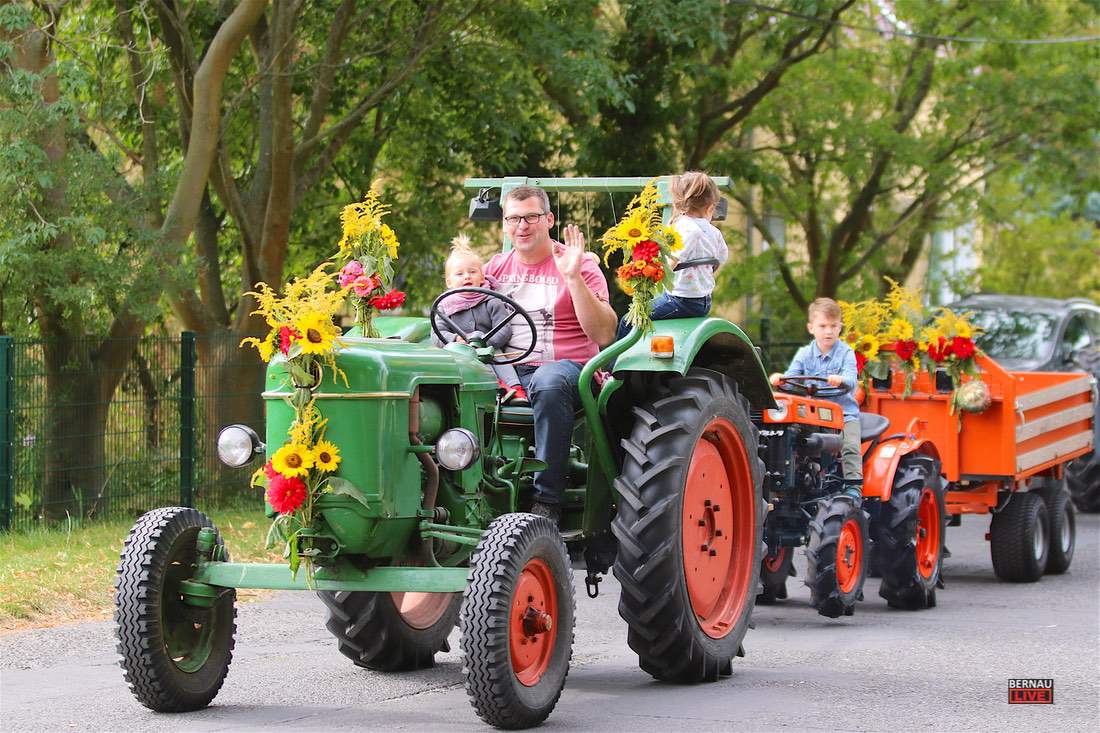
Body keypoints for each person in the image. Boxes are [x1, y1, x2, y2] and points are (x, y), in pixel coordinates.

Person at [483, 185, 617, 525]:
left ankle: (547, 502)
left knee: (549, 380)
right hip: (508, 373)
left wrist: (572, 278)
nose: (522, 226)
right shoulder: (494, 268)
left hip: (568, 372)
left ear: (549, 219)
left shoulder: (579, 265)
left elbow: (604, 334)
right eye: (513, 218)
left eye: (531, 217)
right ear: (504, 224)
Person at [615, 171, 729, 339]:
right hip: (703, 301)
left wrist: (650, 276)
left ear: (678, 202)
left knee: (629, 321)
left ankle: (613, 364)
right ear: (711, 207)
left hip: (681, 301)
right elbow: (722, 258)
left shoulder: (686, 228)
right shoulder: (714, 232)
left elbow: (672, 261)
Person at [770, 297, 863, 500]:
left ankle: (854, 486)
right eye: (822, 326)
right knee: (790, 436)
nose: (828, 331)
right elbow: (790, 377)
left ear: (840, 327)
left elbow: (851, 381)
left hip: (843, 415)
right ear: (811, 328)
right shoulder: (804, 354)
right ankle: (789, 480)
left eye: (833, 326)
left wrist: (841, 380)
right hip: (814, 416)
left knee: (851, 445)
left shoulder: (846, 353)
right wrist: (780, 380)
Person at [432, 235, 526, 401]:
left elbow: (504, 329)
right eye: (459, 274)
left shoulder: (491, 301)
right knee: (464, 356)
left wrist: (485, 343)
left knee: (495, 354)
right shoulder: (444, 307)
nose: (467, 277)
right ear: (449, 282)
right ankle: (497, 386)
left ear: (482, 277)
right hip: (459, 354)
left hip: (490, 349)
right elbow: (437, 333)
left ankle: (515, 389)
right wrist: (454, 339)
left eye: (473, 272)